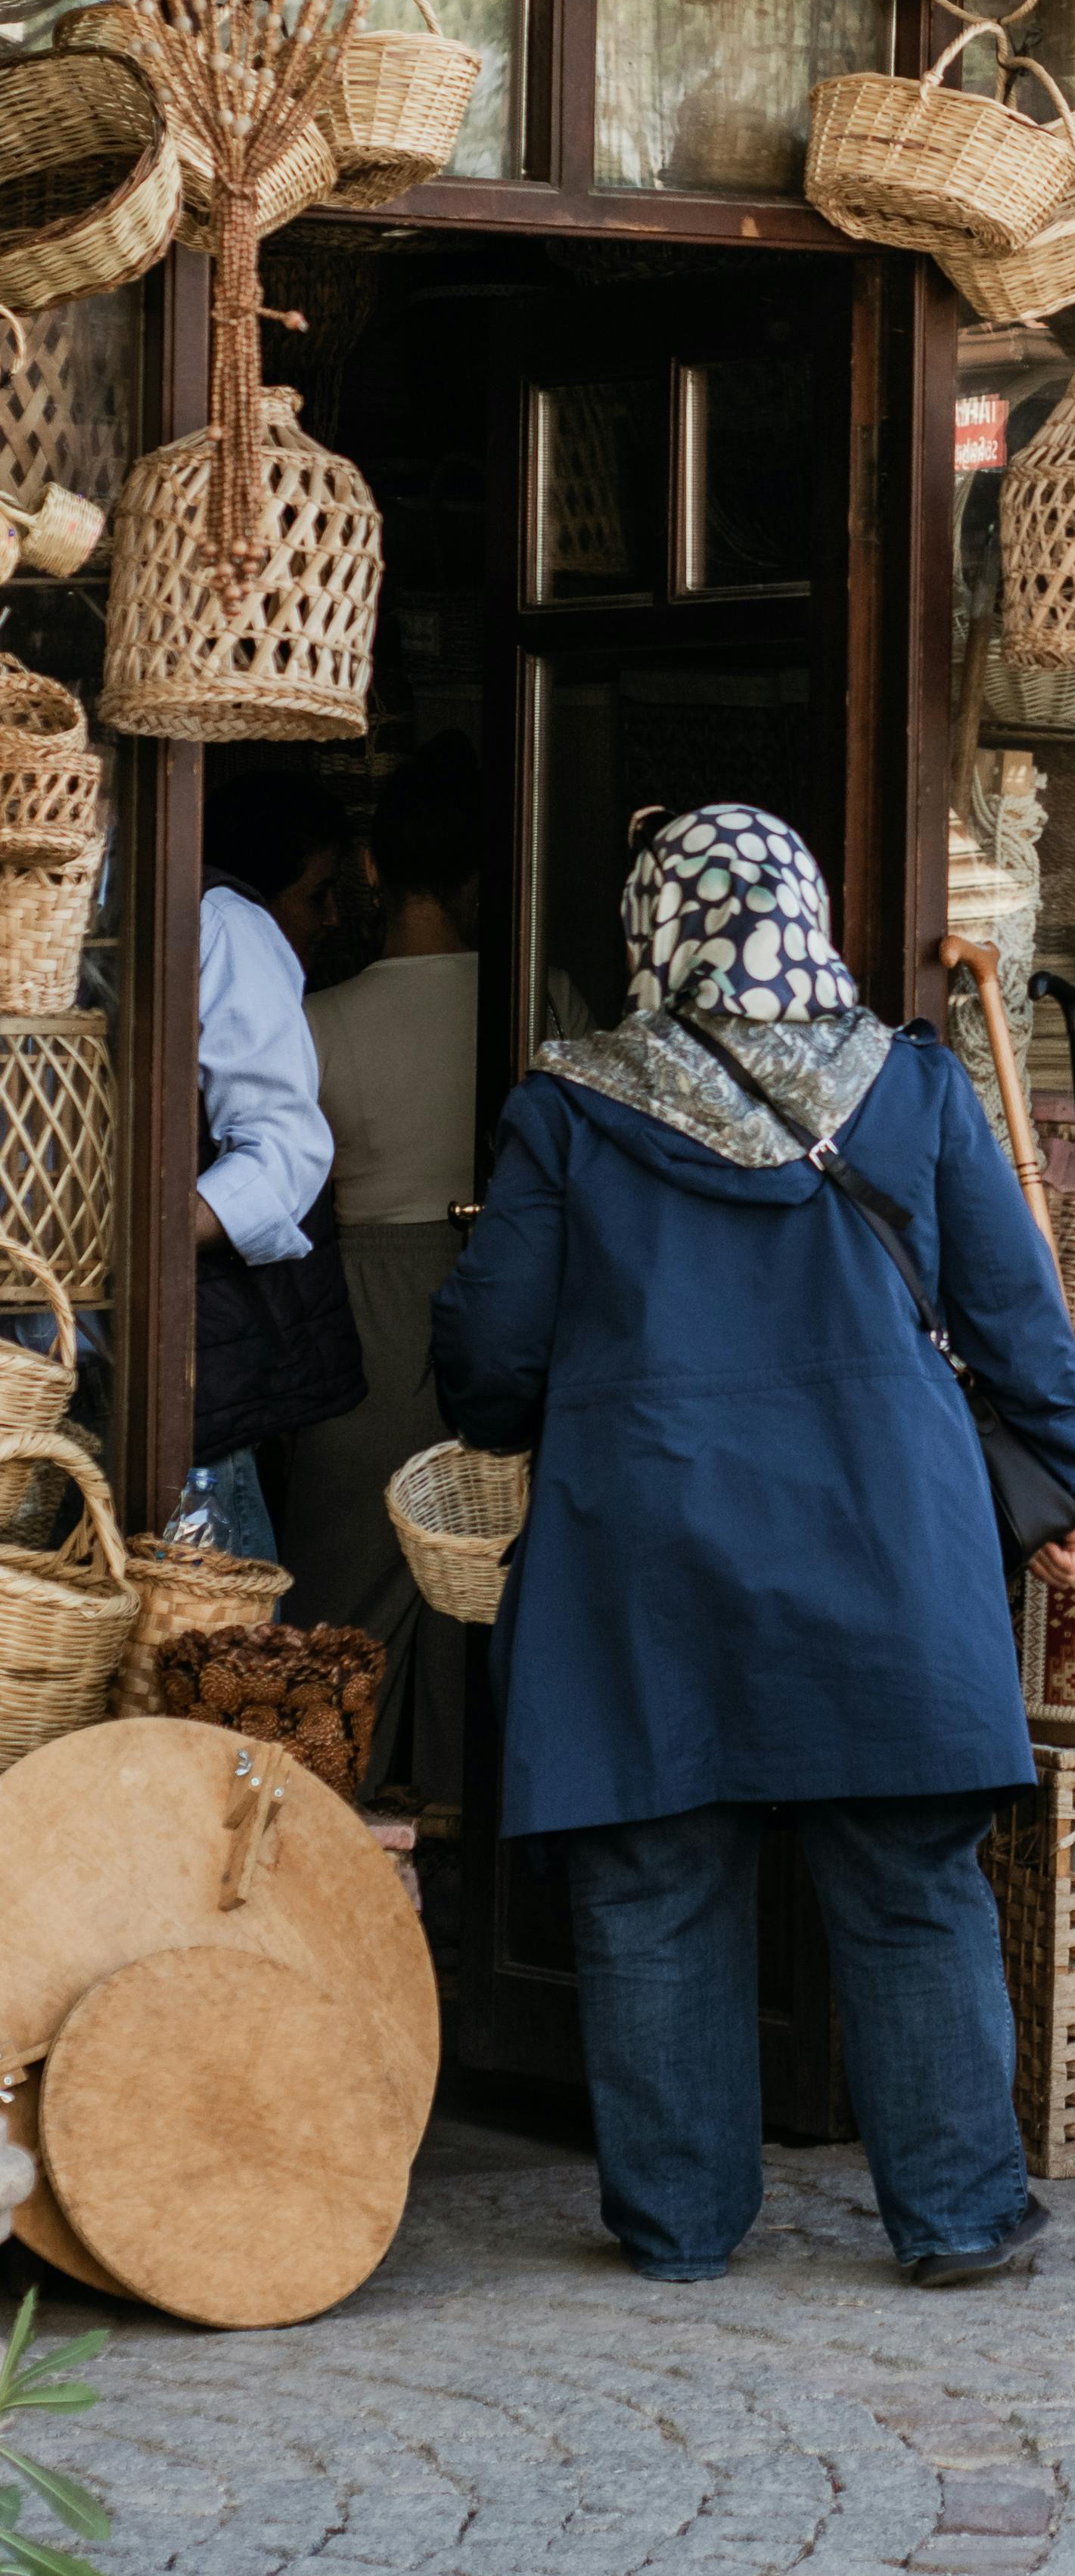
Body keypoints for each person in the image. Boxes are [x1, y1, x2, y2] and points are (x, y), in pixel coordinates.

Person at [430, 802, 1075, 2291]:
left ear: (652, 934)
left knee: (653, 1875)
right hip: (884, 1544)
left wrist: (539, 1402)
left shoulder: (569, 1106)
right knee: (907, 1882)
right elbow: (1017, 1323)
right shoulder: (917, 1088)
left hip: (643, 1556)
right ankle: (956, 2216)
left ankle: (680, 2225)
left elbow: (489, 1355)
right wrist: (1070, 1484)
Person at [272, 737, 485, 1793]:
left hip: (355, 1306)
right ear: (480, 877)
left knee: (334, 1593)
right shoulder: (533, 998)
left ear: (370, 871)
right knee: (477, 1589)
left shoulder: (319, 1022)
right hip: (490, 1291)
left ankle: (310, 1822)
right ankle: (456, 1835)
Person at [194, 769, 363, 1560]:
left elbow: (282, 1149)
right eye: (318, 893)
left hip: (190, 1371)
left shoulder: (221, 922)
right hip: (113, 1366)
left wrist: (148, 1227)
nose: (329, 919)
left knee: (201, 1652)